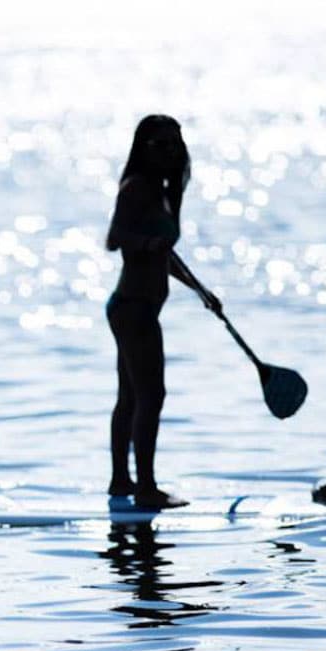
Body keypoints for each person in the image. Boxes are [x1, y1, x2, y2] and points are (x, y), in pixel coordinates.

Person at [105, 115, 220, 510]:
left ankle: (122, 481)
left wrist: (201, 291)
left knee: (132, 396)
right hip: (133, 308)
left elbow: (165, 256)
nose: (170, 151)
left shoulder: (162, 192)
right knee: (150, 395)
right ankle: (145, 487)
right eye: (159, 145)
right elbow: (115, 238)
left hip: (138, 308)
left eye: (175, 144)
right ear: (143, 149)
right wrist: (148, 243)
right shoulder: (136, 187)